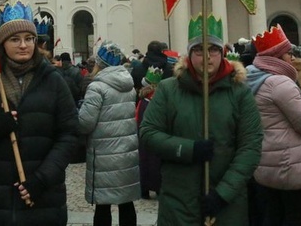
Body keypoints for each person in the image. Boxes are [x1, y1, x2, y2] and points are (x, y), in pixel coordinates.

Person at [0, 1, 79, 225]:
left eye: (29, 39)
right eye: (15, 39)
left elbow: (70, 135)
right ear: (3, 44)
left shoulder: (53, 81)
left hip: (43, 198)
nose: (23, 45)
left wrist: (42, 179)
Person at [140, 14, 263, 225]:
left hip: (226, 205)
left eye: (213, 50)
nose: (206, 56)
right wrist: (188, 149)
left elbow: (250, 146)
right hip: (178, 203)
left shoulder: (239, 93)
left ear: (222, 53)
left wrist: (223, 193)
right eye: (198, 50)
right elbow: (149, 133)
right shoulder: (169, 90)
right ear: (189, 54)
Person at [247, 25, 301, 226]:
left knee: (272, 217)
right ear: (277, 56)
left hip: (263, 162)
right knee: (294, 218)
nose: (292, 57)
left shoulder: (250, 78)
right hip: (289, 164)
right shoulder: (280, 82)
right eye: (288, 53)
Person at [78, 41, 141, 226]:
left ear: (98, 62)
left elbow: (85, 123)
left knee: (103, 205)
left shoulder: (97, 87)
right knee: (126, 202)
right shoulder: (128, 84)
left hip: (104, 153)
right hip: (126, 152)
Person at [136, 66, 163, 199]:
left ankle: (144, 189)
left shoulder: (143, 101)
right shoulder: (154, 100)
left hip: (143, 135)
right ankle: (157, 187)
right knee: (155, 162)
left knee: (145, 162)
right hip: (155, 135)